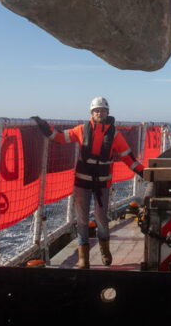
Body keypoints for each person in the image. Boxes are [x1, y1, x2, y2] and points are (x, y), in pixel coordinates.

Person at [37, 96, 144, 268]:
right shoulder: (81, 130)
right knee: (82, 220)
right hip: (82, 183)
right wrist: (45, 127)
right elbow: (59, 137)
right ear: (91, 113)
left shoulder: (115, 135)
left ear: (107, 113)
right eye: (96, 110)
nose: (99, 113)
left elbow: (128, 158)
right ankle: (83, 259)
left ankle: (105, 252)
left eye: (102, 110)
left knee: (101, 218)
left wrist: (144, 172)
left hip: (103, 185)